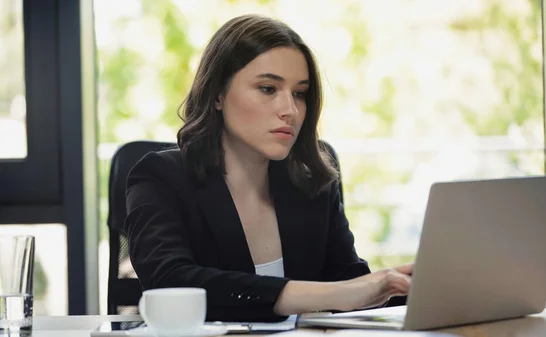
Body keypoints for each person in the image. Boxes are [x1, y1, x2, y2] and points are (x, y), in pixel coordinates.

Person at [125, 14, 413, 322]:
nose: (289, 110)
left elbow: (354, 287)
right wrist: (337, 293)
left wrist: (406, 285)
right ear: (218, 94)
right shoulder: (160, 177)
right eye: (267, 89)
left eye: (299, 94)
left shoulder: (310, 181)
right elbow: (173, 281)